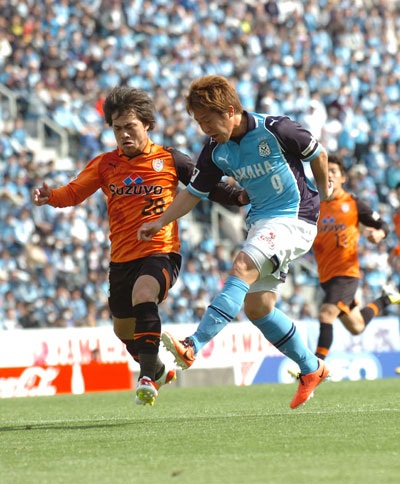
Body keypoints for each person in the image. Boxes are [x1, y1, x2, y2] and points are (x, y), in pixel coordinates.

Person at [33, 86, 248, 406]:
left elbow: (207, 185)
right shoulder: (105, 164)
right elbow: (75, 192)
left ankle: (147, 376)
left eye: (130, 126)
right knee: (123, 329)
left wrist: (239, 197)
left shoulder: (170, 158)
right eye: (117, 129)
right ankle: (157, 368)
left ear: (146, 124)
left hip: (161, 252)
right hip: (121, 259)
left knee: (144, 295)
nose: (123, 134)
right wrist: (51, 196)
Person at [138, 75, 332, 409]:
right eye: (198, 122)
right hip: (262, 222)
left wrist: (325, 192)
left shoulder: (276, 129)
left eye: (208, 120)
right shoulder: (215, 152)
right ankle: (311, 368)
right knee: (258, 308)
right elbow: (193, 194)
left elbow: (318, 153)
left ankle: (193, 345)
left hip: (294, 217)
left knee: (242, 267)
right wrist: (160, 222)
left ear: (229, 111)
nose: (204, 129)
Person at [312, 155, 400, 360]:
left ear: (343, 178)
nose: (329, 174)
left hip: (346, 273)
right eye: (326, 171)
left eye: (334, 171)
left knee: (326, 314)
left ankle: (313, 371)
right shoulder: (314, 205)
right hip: (325, 275)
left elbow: (383, 225)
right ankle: (387, 299)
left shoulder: (353, 203)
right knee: (357, 326)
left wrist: (379, 234)